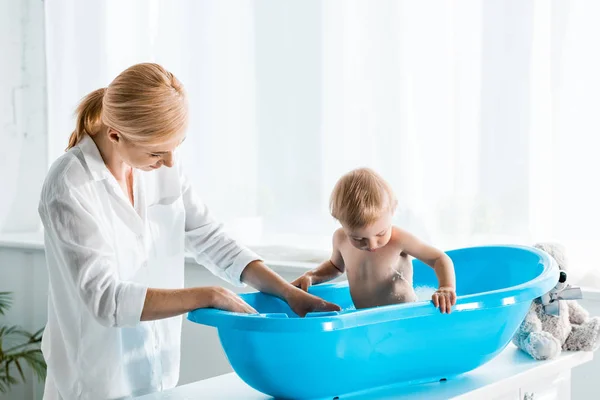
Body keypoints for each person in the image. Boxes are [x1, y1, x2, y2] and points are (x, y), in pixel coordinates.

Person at [37, 63, 339, 400]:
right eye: (156, 152)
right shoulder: (70, 185)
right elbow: (106, 300)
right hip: (94, 382)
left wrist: (287, 292)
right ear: (114, 135)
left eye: (174, 147)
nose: (168, 162)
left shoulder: (158, 165)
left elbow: (209, 237)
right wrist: (208, 295)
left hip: (159, 372)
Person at [291, 167, 457, 312]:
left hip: (404, 314)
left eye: (380, 233)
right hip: (366, 318)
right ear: (340, 221)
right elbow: (335, 266)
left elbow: (439, 258)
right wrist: (312, 275)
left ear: (393, 210)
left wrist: (446, 287)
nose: (371, 244)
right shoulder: (340, 239)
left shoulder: (399, 240)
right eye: (358, 238)